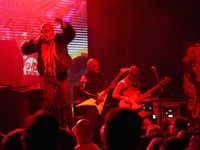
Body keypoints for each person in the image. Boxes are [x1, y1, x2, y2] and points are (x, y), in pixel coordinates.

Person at [21, 18, 75, 130]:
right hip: (49, 77)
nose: (44, 33)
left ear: (52, 32)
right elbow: (25, 50)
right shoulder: (40, 43)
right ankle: (41, 127)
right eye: (42, 31)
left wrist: (64, 24)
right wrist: (35, 41)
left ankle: (72, 129)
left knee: (66, 104)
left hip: (61, 75)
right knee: (46, 103)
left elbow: (71, 34)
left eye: (47, 31)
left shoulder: (60, 40)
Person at [79, 58, 108, 147]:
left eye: (98, 65)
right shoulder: (85, 77)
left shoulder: (103, 77)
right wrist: (95, 96)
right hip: (91, 107)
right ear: (89, 67)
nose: (97, 67)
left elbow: (105, 91)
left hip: (102, 106)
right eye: (94, 66)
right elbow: (82, 90)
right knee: (93, 128)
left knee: (104, 127)